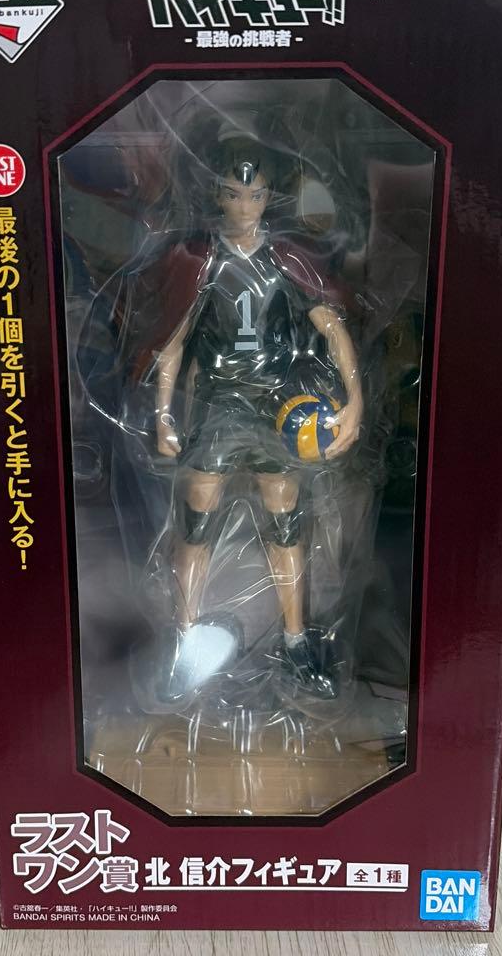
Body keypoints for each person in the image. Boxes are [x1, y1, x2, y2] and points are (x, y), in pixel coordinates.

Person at [144, 132, 364, 702]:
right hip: (216, 404)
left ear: (270, 198)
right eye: (234, 194)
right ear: (217, 195)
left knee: (286, 521)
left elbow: (332, 328)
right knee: (196, 521)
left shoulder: (287, 258)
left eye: (256, 195)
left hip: (278, 407)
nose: (245, 206)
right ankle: (184, 638)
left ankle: (295, 640)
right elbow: (173, 342)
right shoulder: (199, 260)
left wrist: (354, 401)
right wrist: (163, 414)